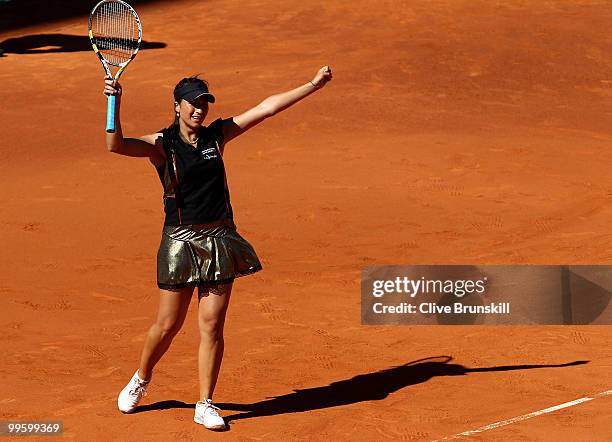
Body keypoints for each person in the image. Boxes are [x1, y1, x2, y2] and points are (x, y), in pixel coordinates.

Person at [104, 65, 332, 430]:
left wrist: (311, 85)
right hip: (179, 242)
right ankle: (141, 378)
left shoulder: (216, 136)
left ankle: (205, 403)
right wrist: (114, 101)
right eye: (192, 104)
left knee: (212, 326)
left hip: (220, 240)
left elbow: (266, 108)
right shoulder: (162, 145)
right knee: (167, 325)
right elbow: (115, 145)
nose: (199, 110)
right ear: (177, 106)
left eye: (204, 104)